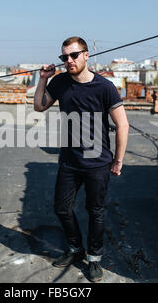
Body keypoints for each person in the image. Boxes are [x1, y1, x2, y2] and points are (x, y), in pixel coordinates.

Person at [33, 36, 129, 282]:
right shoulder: (60, 82)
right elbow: (39, 106)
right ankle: (76, 249)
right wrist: (42, 80)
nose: (69, 61)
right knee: (62, 208)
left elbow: (122, 124)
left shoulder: (104, 87)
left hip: (98, 162)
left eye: (74, 55)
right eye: (64, 57)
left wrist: (118, 160)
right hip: (69, 160)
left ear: (86, 55)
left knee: (95, 211)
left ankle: (95, 259)